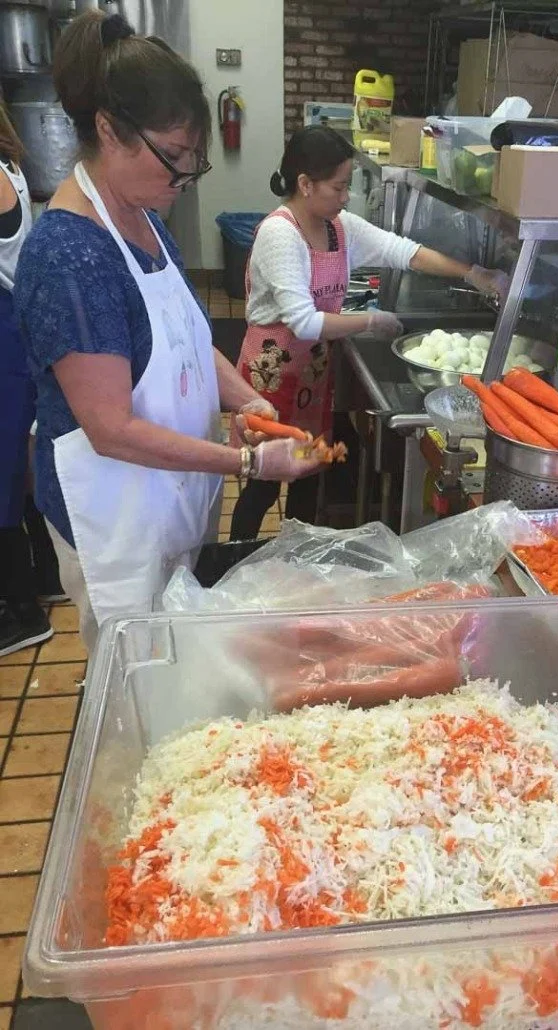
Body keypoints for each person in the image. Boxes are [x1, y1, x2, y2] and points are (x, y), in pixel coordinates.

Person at [14, 11, 320, 653]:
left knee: (179, 651)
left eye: (192, 160)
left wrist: (250, 402)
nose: (184, 178)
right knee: (136, 671)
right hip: (115, 516)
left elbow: (183, 342)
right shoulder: (69, 253)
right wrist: (245, 461)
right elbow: (110, 427)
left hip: (174, 493)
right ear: (108, 131)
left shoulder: (146, 218)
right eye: (173, 157)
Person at [229, 126, 509, 541]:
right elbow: (303, 322)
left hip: (312, 373)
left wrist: (472, 273)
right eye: (338, 187)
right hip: (271, 376)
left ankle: (292, 561)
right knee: (265, 480)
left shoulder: (338, 227)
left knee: (309, 471)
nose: (345, 198)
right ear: (305, 184)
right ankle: (235, 559)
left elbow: (403, 251)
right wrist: (372, 320)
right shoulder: (279, 234)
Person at [0, 102, 59, 656]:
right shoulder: (10, 166)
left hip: (7, 342)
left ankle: (20, 611)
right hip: (15, 338)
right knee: (15, 469)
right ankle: (43, 579)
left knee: (7, 473)